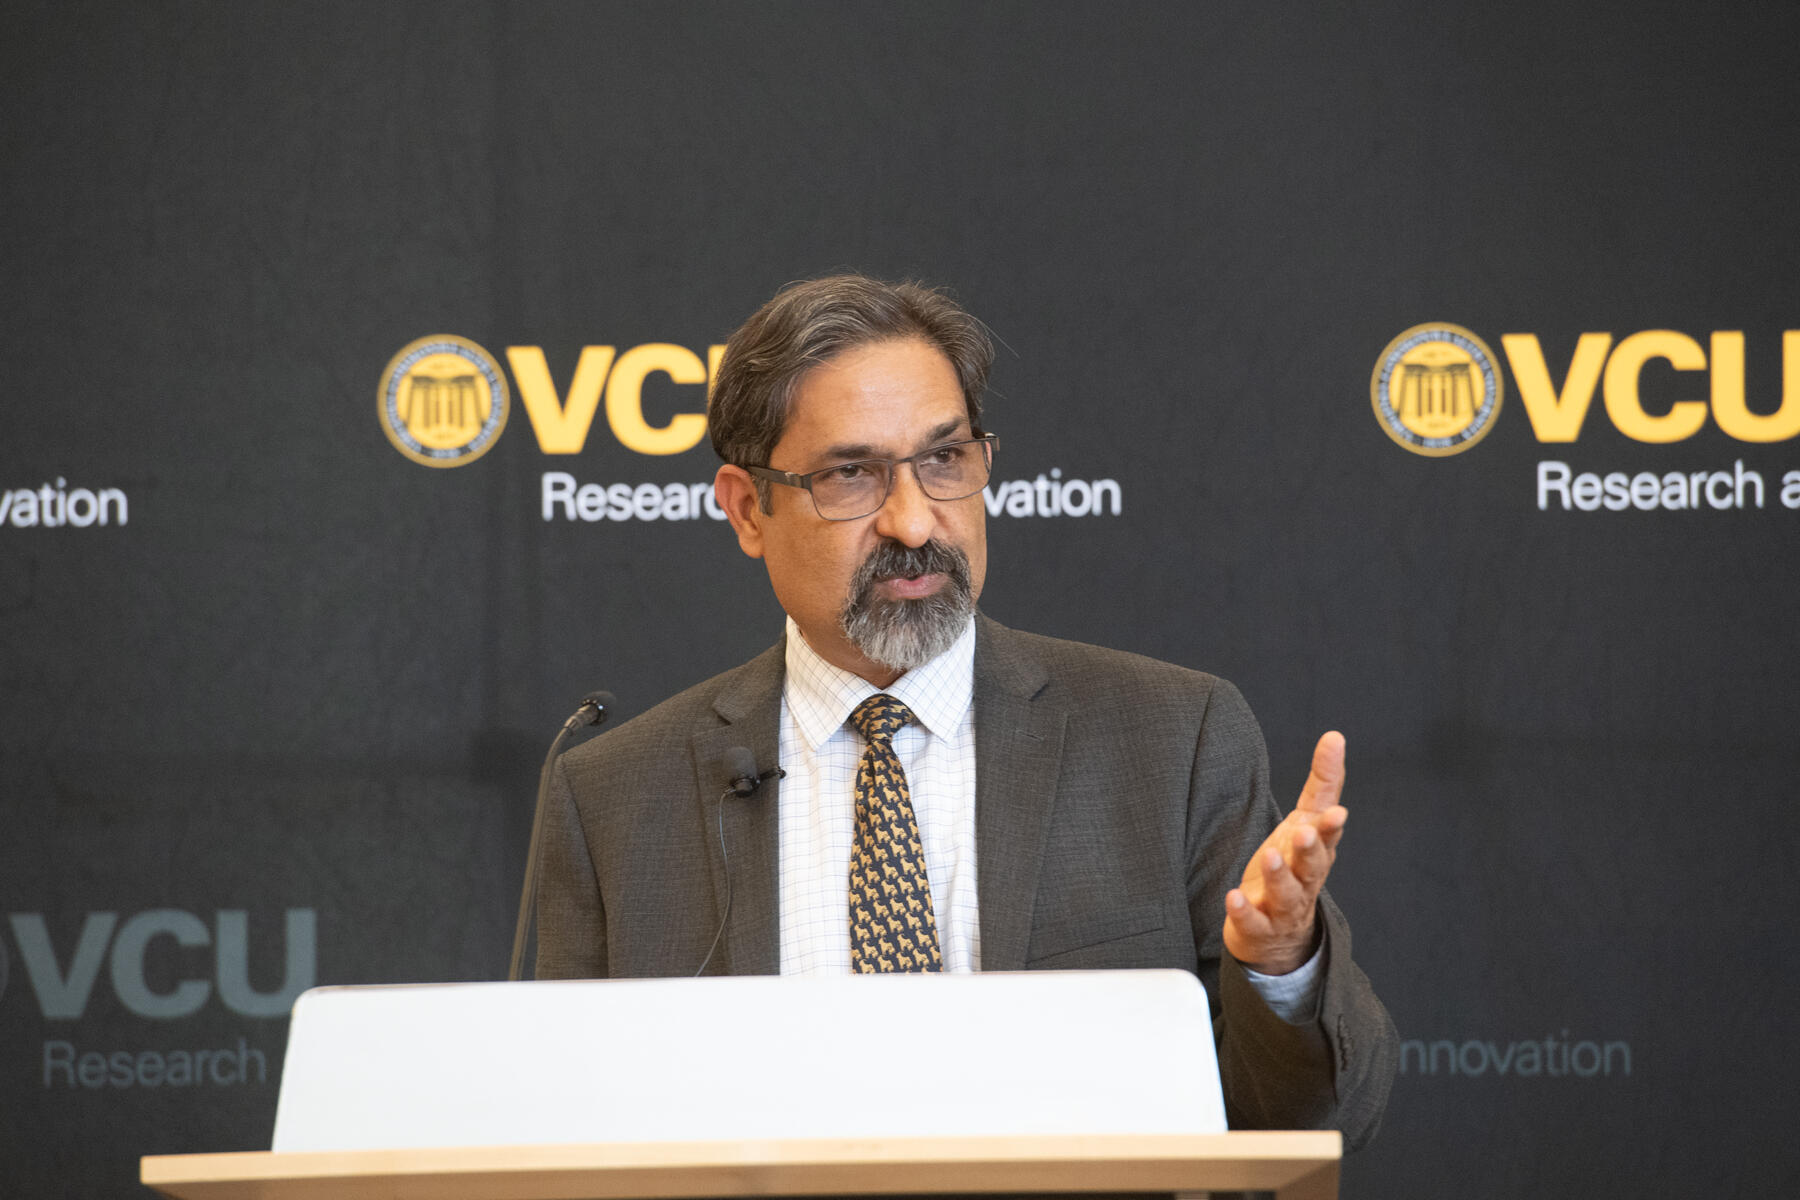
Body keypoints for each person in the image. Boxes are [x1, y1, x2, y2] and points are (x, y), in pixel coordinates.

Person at [536, 275, 1397, 1147]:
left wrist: (1283, 968)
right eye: (851, 476)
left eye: (944, 460)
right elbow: (564, 1137)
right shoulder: (613, 798)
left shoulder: (1173, 739)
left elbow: (1310, 1122)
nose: (915, 522)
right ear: (747, 508)